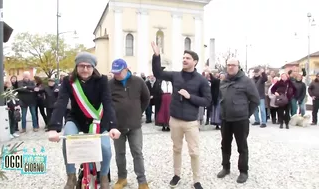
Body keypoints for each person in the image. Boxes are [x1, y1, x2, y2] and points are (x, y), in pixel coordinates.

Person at [47, 52, 121, 189]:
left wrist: (113, 126)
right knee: (67, 141)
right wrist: (54, 128)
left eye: (89, 66)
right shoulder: (68, 81)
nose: (85, 69)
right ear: (76, 66)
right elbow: (61, 102)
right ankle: (71, 176)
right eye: (82, 66)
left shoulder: (102, 80)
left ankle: (104, 176)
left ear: (93, 68)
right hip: (76, 119)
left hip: (98, 120)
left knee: (105, 149)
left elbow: (108, 102)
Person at [151, 42, 211, 189]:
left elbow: (207, 101)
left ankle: (197, 180)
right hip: (175, 120)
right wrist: (157, 56)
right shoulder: (175, 76)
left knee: (194, 152)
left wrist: (190, 96)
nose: (184, 60)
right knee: (176, 149)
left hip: (191, 122)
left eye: (188, 58)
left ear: (195, 62)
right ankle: (177, 175)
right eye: (183, 58)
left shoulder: (201, 80)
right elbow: (158, 73)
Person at [109, 59, 150, 189]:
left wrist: (138, 112)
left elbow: (146, 98)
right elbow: (107, 103)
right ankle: (122, 178)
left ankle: (142, 181)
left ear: (126, 69)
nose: (116, 75)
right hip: (117, 126)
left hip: (135, 125)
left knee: (137, 152)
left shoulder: (138, 81)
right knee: (119, 153)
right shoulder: (110, 84)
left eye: (118, 72)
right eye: (114, 72)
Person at [217, 58, 260, 183]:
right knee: (225, 145)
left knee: (242, 146)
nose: (230, 67)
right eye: (228, 65)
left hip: (240, 120)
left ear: (238, 66)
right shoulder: (224, 81)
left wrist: (246, 114)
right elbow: (221, 98)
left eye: (233, 65)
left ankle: (243, 171)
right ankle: (225, 167)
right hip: (225, 119)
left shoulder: (247, 81)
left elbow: (255, 100)